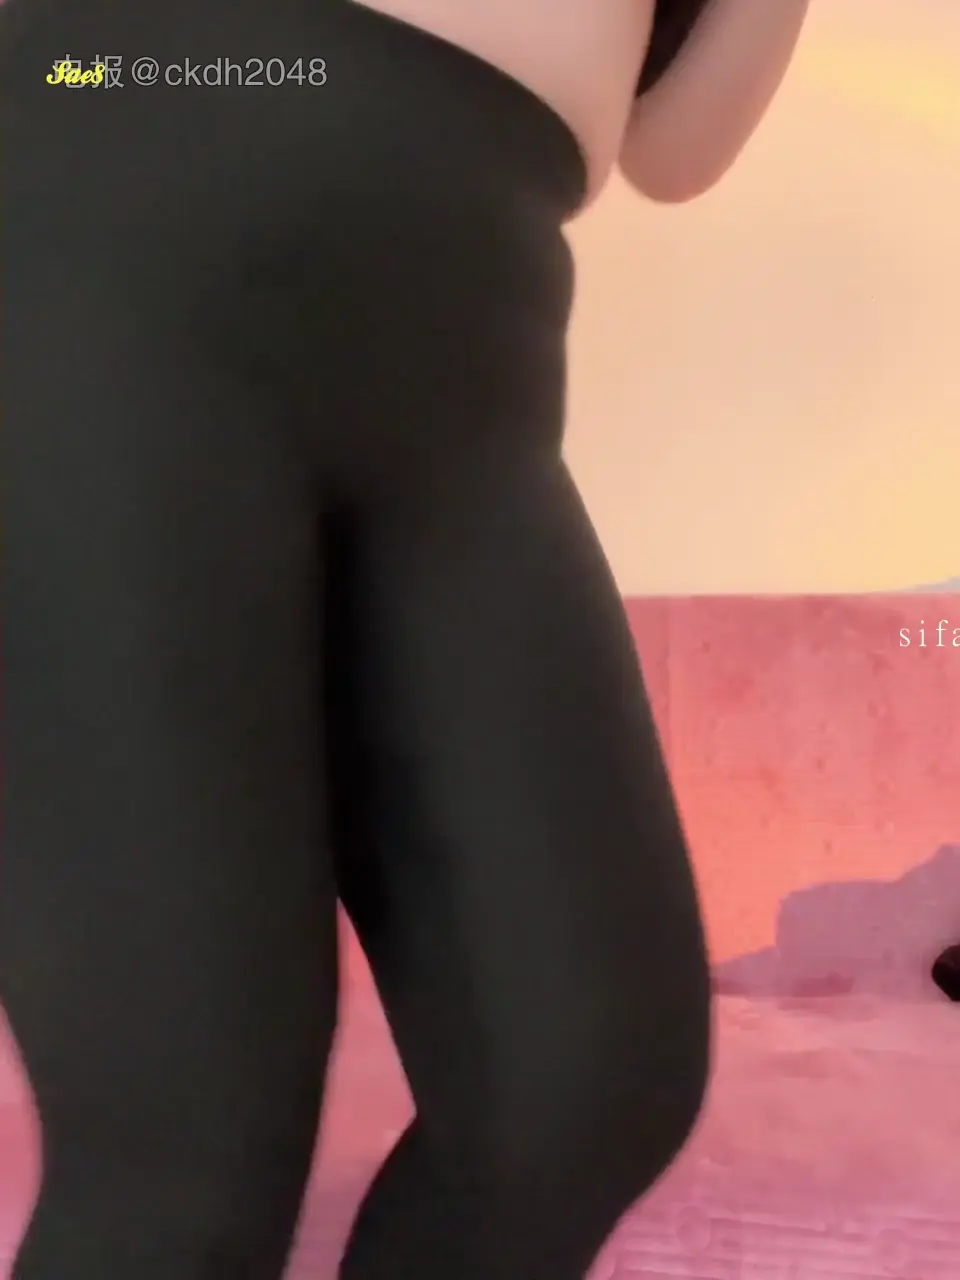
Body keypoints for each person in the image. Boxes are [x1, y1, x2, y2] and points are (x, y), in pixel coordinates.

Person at [1, 1, 810, 1276]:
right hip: (125, 109)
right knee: (186, 1145)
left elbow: (673, 151)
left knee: (583, 1081)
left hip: (474, 367)